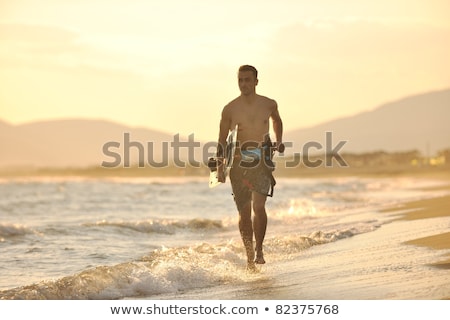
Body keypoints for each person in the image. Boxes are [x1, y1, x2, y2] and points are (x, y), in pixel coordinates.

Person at [216, 65, 284, 271]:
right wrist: (220, 167)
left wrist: (279, 140)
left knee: (259, 206)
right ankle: (248, 256)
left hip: (262, 158)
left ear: (256, 81)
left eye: (247, 80)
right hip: (238, 162)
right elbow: (221, 140)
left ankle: (259, 250)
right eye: (240, 80)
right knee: (244, 212)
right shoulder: (230, 109)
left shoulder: (269, 104)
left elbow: (277, 121)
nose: (243, 84)